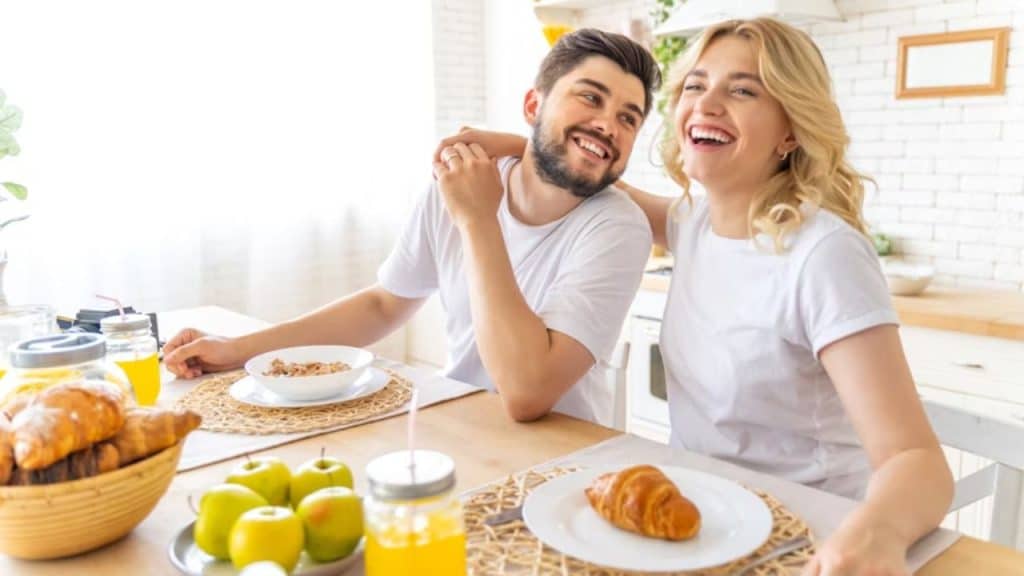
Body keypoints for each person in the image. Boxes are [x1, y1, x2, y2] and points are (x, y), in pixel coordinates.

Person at [441, 18, 953, 576]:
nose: (706, 103)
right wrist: (524, 139)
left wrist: (874, 536)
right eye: (695, 85)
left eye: (742, 90)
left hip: (807, 540)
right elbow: (592, 168)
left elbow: (916, 460)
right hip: (701, 525)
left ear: (790, 132)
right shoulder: (696, 221)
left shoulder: (824, 254)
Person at [163, 28, 660, 425]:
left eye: (628, 118)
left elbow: (527, 394)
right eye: (590, 98)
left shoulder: (617, 228)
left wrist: (476, 218)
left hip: (557, 452)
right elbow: (384, 304)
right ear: (534, 106)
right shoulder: (464, 184)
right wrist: (237, 351)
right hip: (456, 421)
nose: (608, 125)